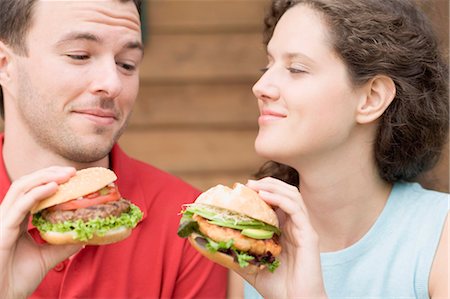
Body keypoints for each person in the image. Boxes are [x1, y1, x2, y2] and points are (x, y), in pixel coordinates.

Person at [0, 0, 227, 298]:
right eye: (79, 55)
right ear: (5, 65)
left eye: (127, 64)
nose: (113, 84)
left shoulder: (189, 223)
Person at [230, 0, 449, 298]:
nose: (261, 85)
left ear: (371, 98)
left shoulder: (441, 238)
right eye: (267, 65)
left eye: (296, 69)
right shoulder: (251, 247)